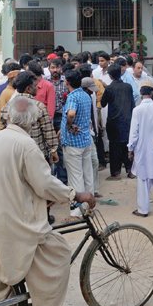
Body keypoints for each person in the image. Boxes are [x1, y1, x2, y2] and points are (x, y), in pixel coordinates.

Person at [0, 96, 95, 306]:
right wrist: (75, 194)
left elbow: (14, 179)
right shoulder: (26, 145)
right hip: (17, 225)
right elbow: (44, 183)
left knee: (5, 272)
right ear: (33, 120)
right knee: (58, 253)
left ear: (9, 115)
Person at [128, 85, 153, 217]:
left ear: (141, 94)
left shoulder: (137, 110)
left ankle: (143, 209)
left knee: (143, 180)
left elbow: (134, 132)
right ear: (152, 93)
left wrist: (130, 148)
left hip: (142, 149)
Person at [60, 69, 94, 216]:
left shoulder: (72, 97)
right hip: (85, 139)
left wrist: (68, 125)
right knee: (88, 174)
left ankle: (77, 211)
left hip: (73, 142)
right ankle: (89, 205)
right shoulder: (85, 95)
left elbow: (71, 113)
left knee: (75, 177)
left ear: (67, 82)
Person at [101, 64, 135, 180]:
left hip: (114, 121)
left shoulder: (109, 88)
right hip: (127, 120)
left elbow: (103, 103)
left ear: (110, 76)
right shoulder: (128, 87)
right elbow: (132, 104)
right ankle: (130, 170)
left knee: (114, 147)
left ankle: (115, 172)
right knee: (128, 145)